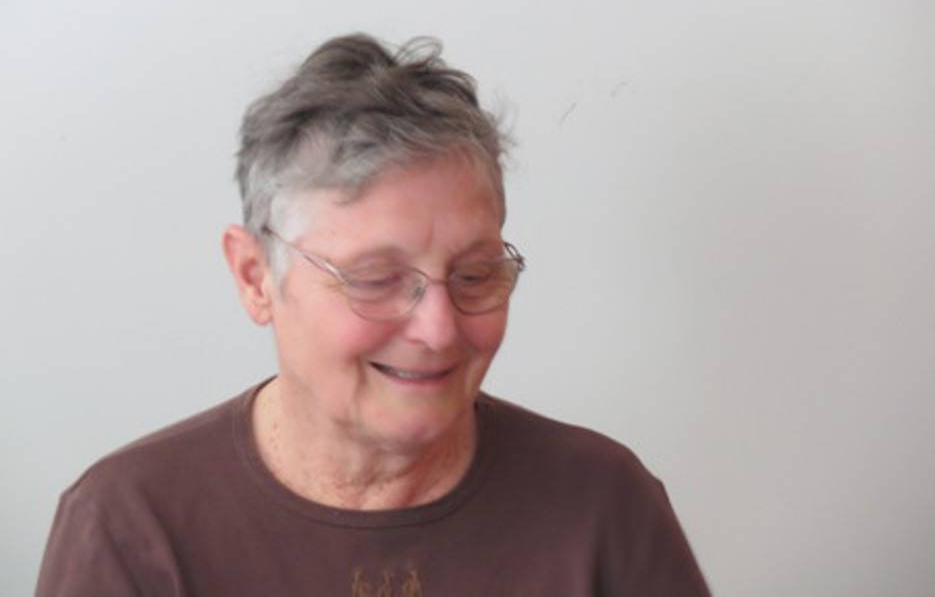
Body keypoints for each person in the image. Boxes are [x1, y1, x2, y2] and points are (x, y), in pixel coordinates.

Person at [36, 33, 710, 596]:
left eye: (475, 275)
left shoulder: (603, 505)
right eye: (377, 279)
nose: (439, 329)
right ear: (254, 276)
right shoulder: (131, 526)